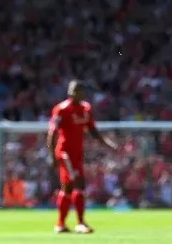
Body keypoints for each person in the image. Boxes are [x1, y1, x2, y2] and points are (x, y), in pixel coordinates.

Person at [47, 80, 118, 234]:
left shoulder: (86, 109)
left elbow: (93, 131)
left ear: (82, 92)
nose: (73, 93)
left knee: (68, 188)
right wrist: (53, 156)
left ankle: (60, 224)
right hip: (64, 152)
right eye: (72, 90)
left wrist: (108, 144)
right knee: (78, 183)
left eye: (77, 90)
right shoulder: (61, 109)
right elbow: (52, 133)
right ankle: (80, 223)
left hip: (77, 154)